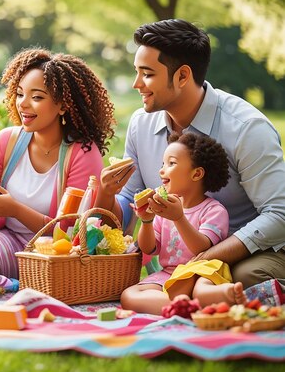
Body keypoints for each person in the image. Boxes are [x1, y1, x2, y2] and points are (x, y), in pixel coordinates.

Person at [96, 19, 285, 293]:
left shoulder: (246, 127)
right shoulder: (142, 124)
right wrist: (106, 194)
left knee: (243, 275)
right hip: (177, 262)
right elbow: (131, 201)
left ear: (182, 76)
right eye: (137, 72)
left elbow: (279, 214)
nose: (137, 84)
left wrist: (207, 258)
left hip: (250, 253)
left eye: (147, 74)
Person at [0, 48, 116, 278]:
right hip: (4, 239)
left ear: (63, 105)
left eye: (37, 97)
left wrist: (16, 210)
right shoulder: (7, 141)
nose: (23, 104)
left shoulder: (82, 152)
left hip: (52, 253)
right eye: (20, 94)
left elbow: (70, 231)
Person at [120, 132, 248, 315]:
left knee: (202, 289)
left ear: (196, 174)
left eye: (171, 163)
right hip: (170, 275)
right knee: (129, 295)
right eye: (162, 164)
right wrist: (146, 220)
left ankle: (222, 295)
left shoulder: (214, 210)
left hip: (200, 271)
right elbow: (149, 248)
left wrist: (179, 218)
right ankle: (183, 307)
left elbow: (201, 249)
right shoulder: (164, 210)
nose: (161, 170)